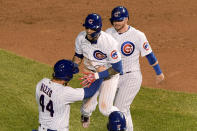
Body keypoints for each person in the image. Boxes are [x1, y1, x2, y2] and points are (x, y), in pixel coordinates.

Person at [105, 6, 165, 131]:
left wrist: (159, 73)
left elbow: (150, 55)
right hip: (113, 77)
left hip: (131, 77)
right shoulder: (108, 33)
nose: (116, 23)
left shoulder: (137, 35)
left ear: (126, 19)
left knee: (119, 109)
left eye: (119, 20)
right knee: (119, 109)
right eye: (114, 20)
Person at [72, 13, 123, 128]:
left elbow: (118, 68)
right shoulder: (81, 38)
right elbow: (78, 56)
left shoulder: (109, 42)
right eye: (87, 27)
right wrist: (73, 67)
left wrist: (97, 75)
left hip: (109, 75)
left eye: (92, 28)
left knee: (105, 109)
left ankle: (121, 123)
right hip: (90, 72)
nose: (89, 31)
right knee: (86, 109)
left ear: (99, 28)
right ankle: (86, 115)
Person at [35, 59, 104, 131]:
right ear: (67, 76)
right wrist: (100, 75)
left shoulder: (42, 83)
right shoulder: (65, 92)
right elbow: (89, 92)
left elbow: (51, 93)